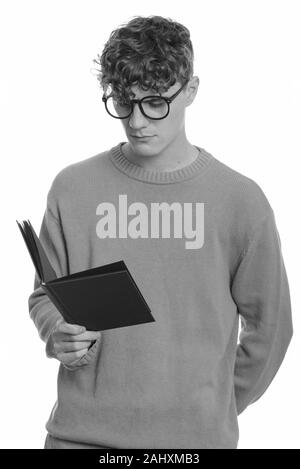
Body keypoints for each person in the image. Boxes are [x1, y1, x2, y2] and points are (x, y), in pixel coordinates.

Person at [28, 15, 293, 450]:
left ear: (190, 90)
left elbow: (272, 326)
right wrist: (57, 332)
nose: (137, 121)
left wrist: (214, 406)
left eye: (154, 102)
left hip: (193, 445)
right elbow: (46, 293)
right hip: (80, 438)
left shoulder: (239, 200)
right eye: (123, 102)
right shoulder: (72, 189)